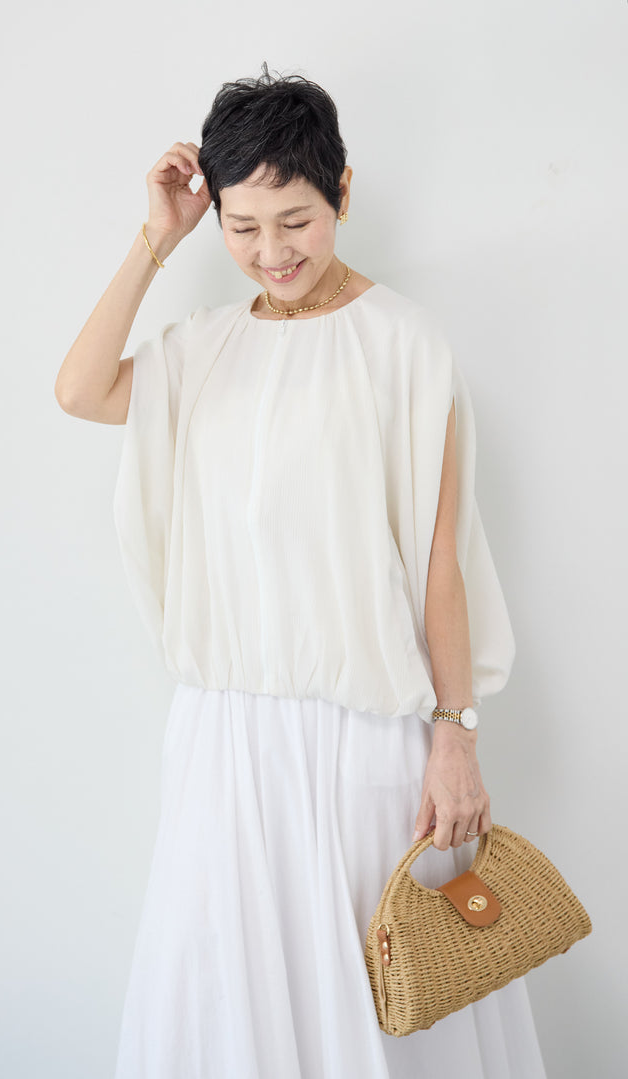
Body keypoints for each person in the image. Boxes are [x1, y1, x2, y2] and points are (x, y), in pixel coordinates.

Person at [55, 68, 545, 1079]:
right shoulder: (203, 350)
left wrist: (456, 738)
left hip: (361, 736)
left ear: (343, 194)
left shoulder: (403, 344)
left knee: (375, 1007)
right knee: (227, 1002)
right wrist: (157, 239)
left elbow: (440, 563)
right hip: (223, 739)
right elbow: (81, 389)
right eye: (242, 227)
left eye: (296, 221)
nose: (272, 252)